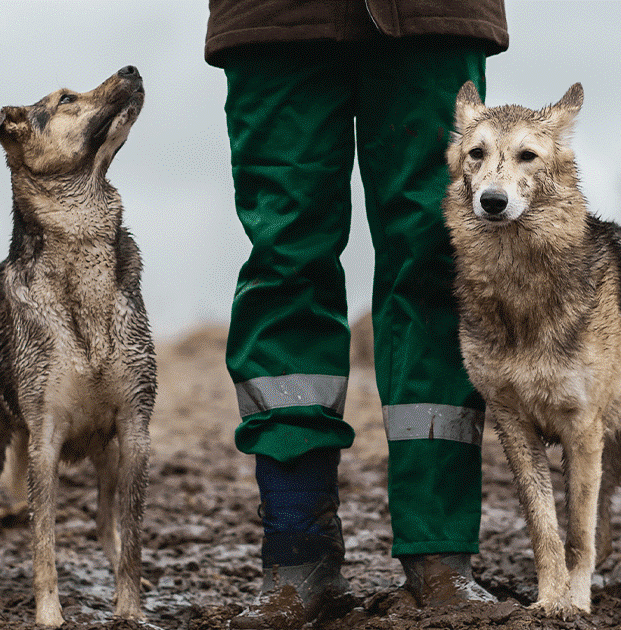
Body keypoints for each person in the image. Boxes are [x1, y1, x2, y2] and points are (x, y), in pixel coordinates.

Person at [204, 2, 508, 626]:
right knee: (286, 259)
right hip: (273, 17)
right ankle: (296, 556)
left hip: (433, 15)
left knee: (437, 256)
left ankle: (441, 559)